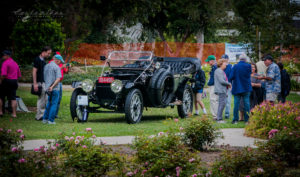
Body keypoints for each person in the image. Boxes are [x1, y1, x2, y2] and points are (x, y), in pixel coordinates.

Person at [229, 53, 252, 124]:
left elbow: (231, 77)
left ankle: (235, 119)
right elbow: (249, 74)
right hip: (246, 87)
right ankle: (247, 120)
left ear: (239, 59)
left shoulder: (235, 66)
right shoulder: (249, 66)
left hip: (237, 87)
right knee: (247, 104)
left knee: (236, 104)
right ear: (245, 59)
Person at [42, 54, 63, 124]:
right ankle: (51, 120)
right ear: (57, 60)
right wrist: (52, 86)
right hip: (55, 88)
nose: (60, 63)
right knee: (54, 104)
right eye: (60, 61)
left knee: (49, 103)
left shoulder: (46, 66)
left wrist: (48, 86)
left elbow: (44, 77)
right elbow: (58, 79)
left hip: (47, 88)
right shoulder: (57, 67)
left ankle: (45, 119)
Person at [0, 50, 21, 117]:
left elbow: (3, 74)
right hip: (14, 81)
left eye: (3, 55)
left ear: (7, 56)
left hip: (6, 81)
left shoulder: (5, 63)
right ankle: (14, 114)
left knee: (1, 96)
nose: (2, 56)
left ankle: (0, 112)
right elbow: (18, 75)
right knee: (13, 98)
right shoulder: (15, 63)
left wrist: (0, 81)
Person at [33, 46, 52, 121]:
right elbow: (34, 71)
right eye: (48, 53)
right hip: (39, 82)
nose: (49, 55)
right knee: (41, 99)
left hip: (44, 82)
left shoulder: (43, 60)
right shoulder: (37, 59)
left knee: (45, 99)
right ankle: (39, 116)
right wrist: (35, 83)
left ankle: (43, 114)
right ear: (43, 52)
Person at [48, 51, 69, 118]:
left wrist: (67, 67)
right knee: (53, 100)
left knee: (58, 99)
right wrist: (61, 67)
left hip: (59, 82)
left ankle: (55, 114)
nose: (60, 61)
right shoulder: (51, 63)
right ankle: (50, 115)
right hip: (54, 82)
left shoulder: (61, 63)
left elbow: (66, 72)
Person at [214, 59, 231, 123]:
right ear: (221, 64)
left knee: (222, 104)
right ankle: (219, 119)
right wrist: (229, 84)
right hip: (221, 89)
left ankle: (219, 118)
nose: (226, 65)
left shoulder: (221, 71)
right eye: (225, 63)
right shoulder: (218, 71)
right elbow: (221, 81)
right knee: (222, 104)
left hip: (222, 89)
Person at [206, 55, 218, 120]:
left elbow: (213, 78)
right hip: (212, 85)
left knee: (213, 100)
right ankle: (214, 115)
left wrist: (209, 83)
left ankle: (215, 115)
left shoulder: (215, 67)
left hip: (214, 85)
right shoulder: (213, 67)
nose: (208, 63)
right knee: (212, 100)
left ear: (212, 61)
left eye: (208, 61)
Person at [221, 54, 232, 119]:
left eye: (225, 59)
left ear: (228, 59)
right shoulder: (219, 67)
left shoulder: (230, 66)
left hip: (228, 85)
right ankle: (220, 114)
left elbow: (232, 76)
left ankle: (227, 114)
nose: (224, 60)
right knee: (221, 101)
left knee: (228, 101)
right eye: (223, 59)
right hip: (221, 85)